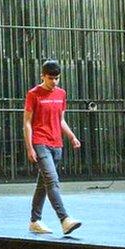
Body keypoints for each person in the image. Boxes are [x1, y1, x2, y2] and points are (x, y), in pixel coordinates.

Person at [24, 60, 82, 235]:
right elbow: (27, 123)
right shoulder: (33, 94)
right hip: (40, 142)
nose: (54, 82)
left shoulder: (61, 94)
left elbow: (61, 120)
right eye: (51, 78)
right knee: (52, 181)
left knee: (43, 185)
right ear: (43, 75)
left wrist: (72, 137)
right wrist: (30, 147)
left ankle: (34, 221)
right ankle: (64, 219)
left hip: (57, 144)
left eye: (57, 78)